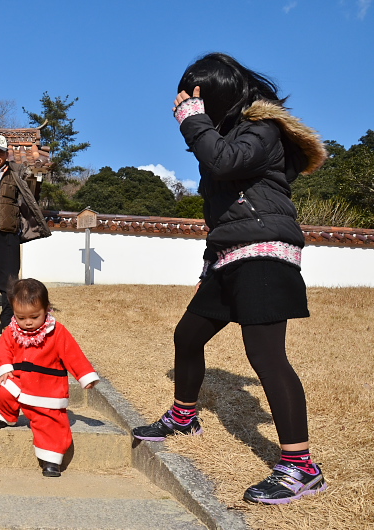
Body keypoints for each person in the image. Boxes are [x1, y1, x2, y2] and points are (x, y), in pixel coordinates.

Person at [132, 53, 328, 505]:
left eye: (196, 97)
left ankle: (302, 467)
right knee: (188, 335)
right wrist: (208, 266)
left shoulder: (263, 127)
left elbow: (224, 162)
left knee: (266, 355)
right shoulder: (226, 136)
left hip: (265, 253)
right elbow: (220, 214)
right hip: (227, 257)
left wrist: (191, 119)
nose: (187, 105)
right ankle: (184, 418)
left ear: (216, 95)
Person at [0, 279, 99, 477]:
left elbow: (73, 354)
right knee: (4, 392)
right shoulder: (13, 330)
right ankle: (5, 414)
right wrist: (5, 367)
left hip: (47, 388)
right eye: (21, 317)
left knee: (50, 422)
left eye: (34, 316)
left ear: (46, 309)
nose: (28, 322)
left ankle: (51, 459)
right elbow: (3, 348)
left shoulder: (56, 331)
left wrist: (85, 376)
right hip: (19, 381)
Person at [0, 135, 51, 334]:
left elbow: (27, 202)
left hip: (10, 235)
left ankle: (7, 321)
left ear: (6, 154)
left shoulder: (17, 175)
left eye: (0, 152)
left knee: (10, 280)